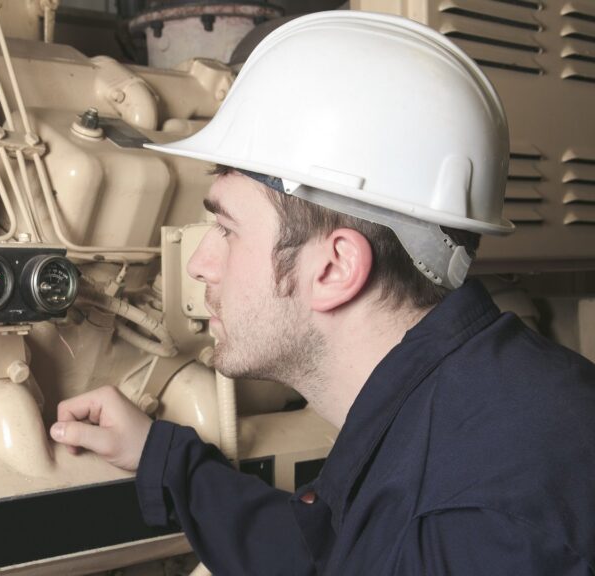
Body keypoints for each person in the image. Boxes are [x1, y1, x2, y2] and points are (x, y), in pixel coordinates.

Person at [49, 10, 595, 575]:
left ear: (335, 268)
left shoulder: (469, 531)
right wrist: (164, 462)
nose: (201, 264)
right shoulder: (478, 407)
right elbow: (331, 557)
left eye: (227, 230)